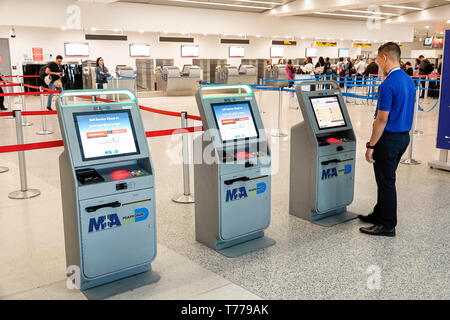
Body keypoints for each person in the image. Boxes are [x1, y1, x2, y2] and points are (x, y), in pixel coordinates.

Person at [359, 42, 415, 237]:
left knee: (386, 182)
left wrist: (370, 145)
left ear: (384, 57)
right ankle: (378, 213)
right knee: (385, 178)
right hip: (403, 138)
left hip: (388, 139)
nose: (377, 62)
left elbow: (382, 119)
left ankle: (387, 224)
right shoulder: (408, 80)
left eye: (377, 58)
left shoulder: (388, 84)